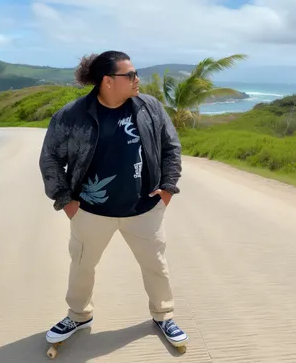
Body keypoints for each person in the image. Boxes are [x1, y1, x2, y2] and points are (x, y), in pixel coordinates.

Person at [39, 50, 188, 347]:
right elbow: (50, 159)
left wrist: (168, 188)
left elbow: (171, 147)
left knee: (156, 265)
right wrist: (66, 200)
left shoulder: (149, 108)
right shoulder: (72, 116)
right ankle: (79, 315)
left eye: (135, 73)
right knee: (82, 266)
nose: (137, 80)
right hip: (90, 210)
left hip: (144, 208)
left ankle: (163, 315)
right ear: (107, 81)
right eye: (129, 75)